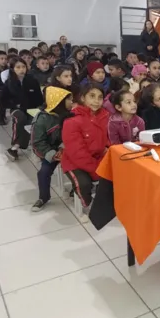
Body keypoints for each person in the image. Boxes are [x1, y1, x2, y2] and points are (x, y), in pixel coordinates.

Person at [61, 84, 110, 222]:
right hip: (74, 162)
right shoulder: (72, 121)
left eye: (100, 97)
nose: (96, 101)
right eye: (92, 96)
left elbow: (109, 139)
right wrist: (95, 170)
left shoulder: (105, 116)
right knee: (84, 183)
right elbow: (77, 152)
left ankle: (107, 201)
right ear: (83, 98)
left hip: (99, 157)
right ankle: (87, 205)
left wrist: (107, 149)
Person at [30, 86, 73, 212]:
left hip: (70, 148)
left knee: (78, 169)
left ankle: (76, 191)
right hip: (51, 151)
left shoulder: (71, 114)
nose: (72, 102)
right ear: (59, 102)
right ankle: (43, 197)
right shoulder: (41, 120)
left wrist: (66, 147)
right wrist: (53, 154)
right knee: (44, 172)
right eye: (69, 100)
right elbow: (37, 142)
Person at [4, 58, 44, 161]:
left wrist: (38, 107)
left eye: (23, 67)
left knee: (33, 121)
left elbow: (39, 98)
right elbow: (5, 99)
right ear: (12, 69)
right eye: (18, 67)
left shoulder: (32, 80)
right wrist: (16, 105)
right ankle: (15, 146)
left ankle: (17, 147)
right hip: (16, 108)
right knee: (20, 118)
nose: (21, 69)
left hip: (31, 108)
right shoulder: (9, 82)